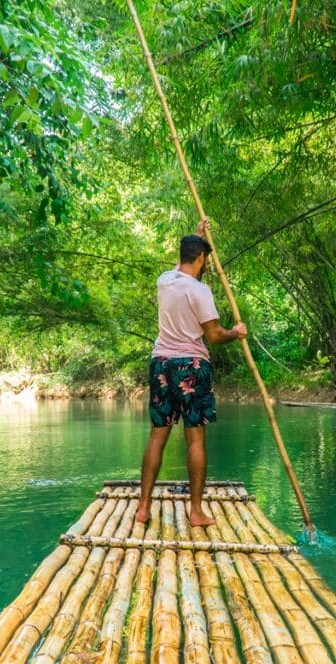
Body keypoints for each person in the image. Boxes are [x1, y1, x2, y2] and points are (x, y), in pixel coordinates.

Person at [135, 217, 247, 527]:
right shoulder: (199, 290)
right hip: (191, 366)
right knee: (195, 439)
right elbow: (213, 335)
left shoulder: (164, 279)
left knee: (157, 437)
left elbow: (178, 266)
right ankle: (196, 512)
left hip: (160, 364)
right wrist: (236, 332)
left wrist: (197, 236)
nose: (207, 264)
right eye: (205, 258)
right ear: (201, 257)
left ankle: (143, 508)